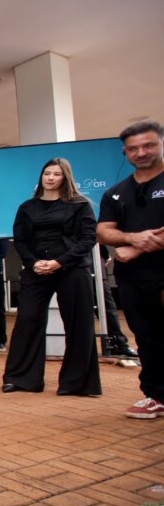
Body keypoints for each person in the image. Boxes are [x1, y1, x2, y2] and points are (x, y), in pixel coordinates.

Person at [2, 157, 101, 396]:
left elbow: (88, 238)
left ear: (65, 178)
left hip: (72, 268)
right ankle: (21, 379)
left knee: (78, 324)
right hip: (36, 270)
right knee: (27, 319)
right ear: (41, 176)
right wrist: (34, 263)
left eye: (56, 174)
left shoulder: (80, 204)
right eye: (47, 173)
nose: (50, 177)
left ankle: (76, 384)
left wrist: (59, 262)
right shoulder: (27, 207)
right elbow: (21, 241)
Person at [97, 120, 164, 418]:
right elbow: (104, 232)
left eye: (148, 145)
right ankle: (156, 396)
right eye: (133, 148)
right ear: (125, 153)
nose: (141, 152)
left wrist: (136, 247)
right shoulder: (115, 193)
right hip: (134, 278)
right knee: (146, 336)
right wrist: (130, 237)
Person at [96, 245, 138, 359]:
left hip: (92, 257)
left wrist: (104, 253)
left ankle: (118, 343)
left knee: (106, 304)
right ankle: (119, 343)